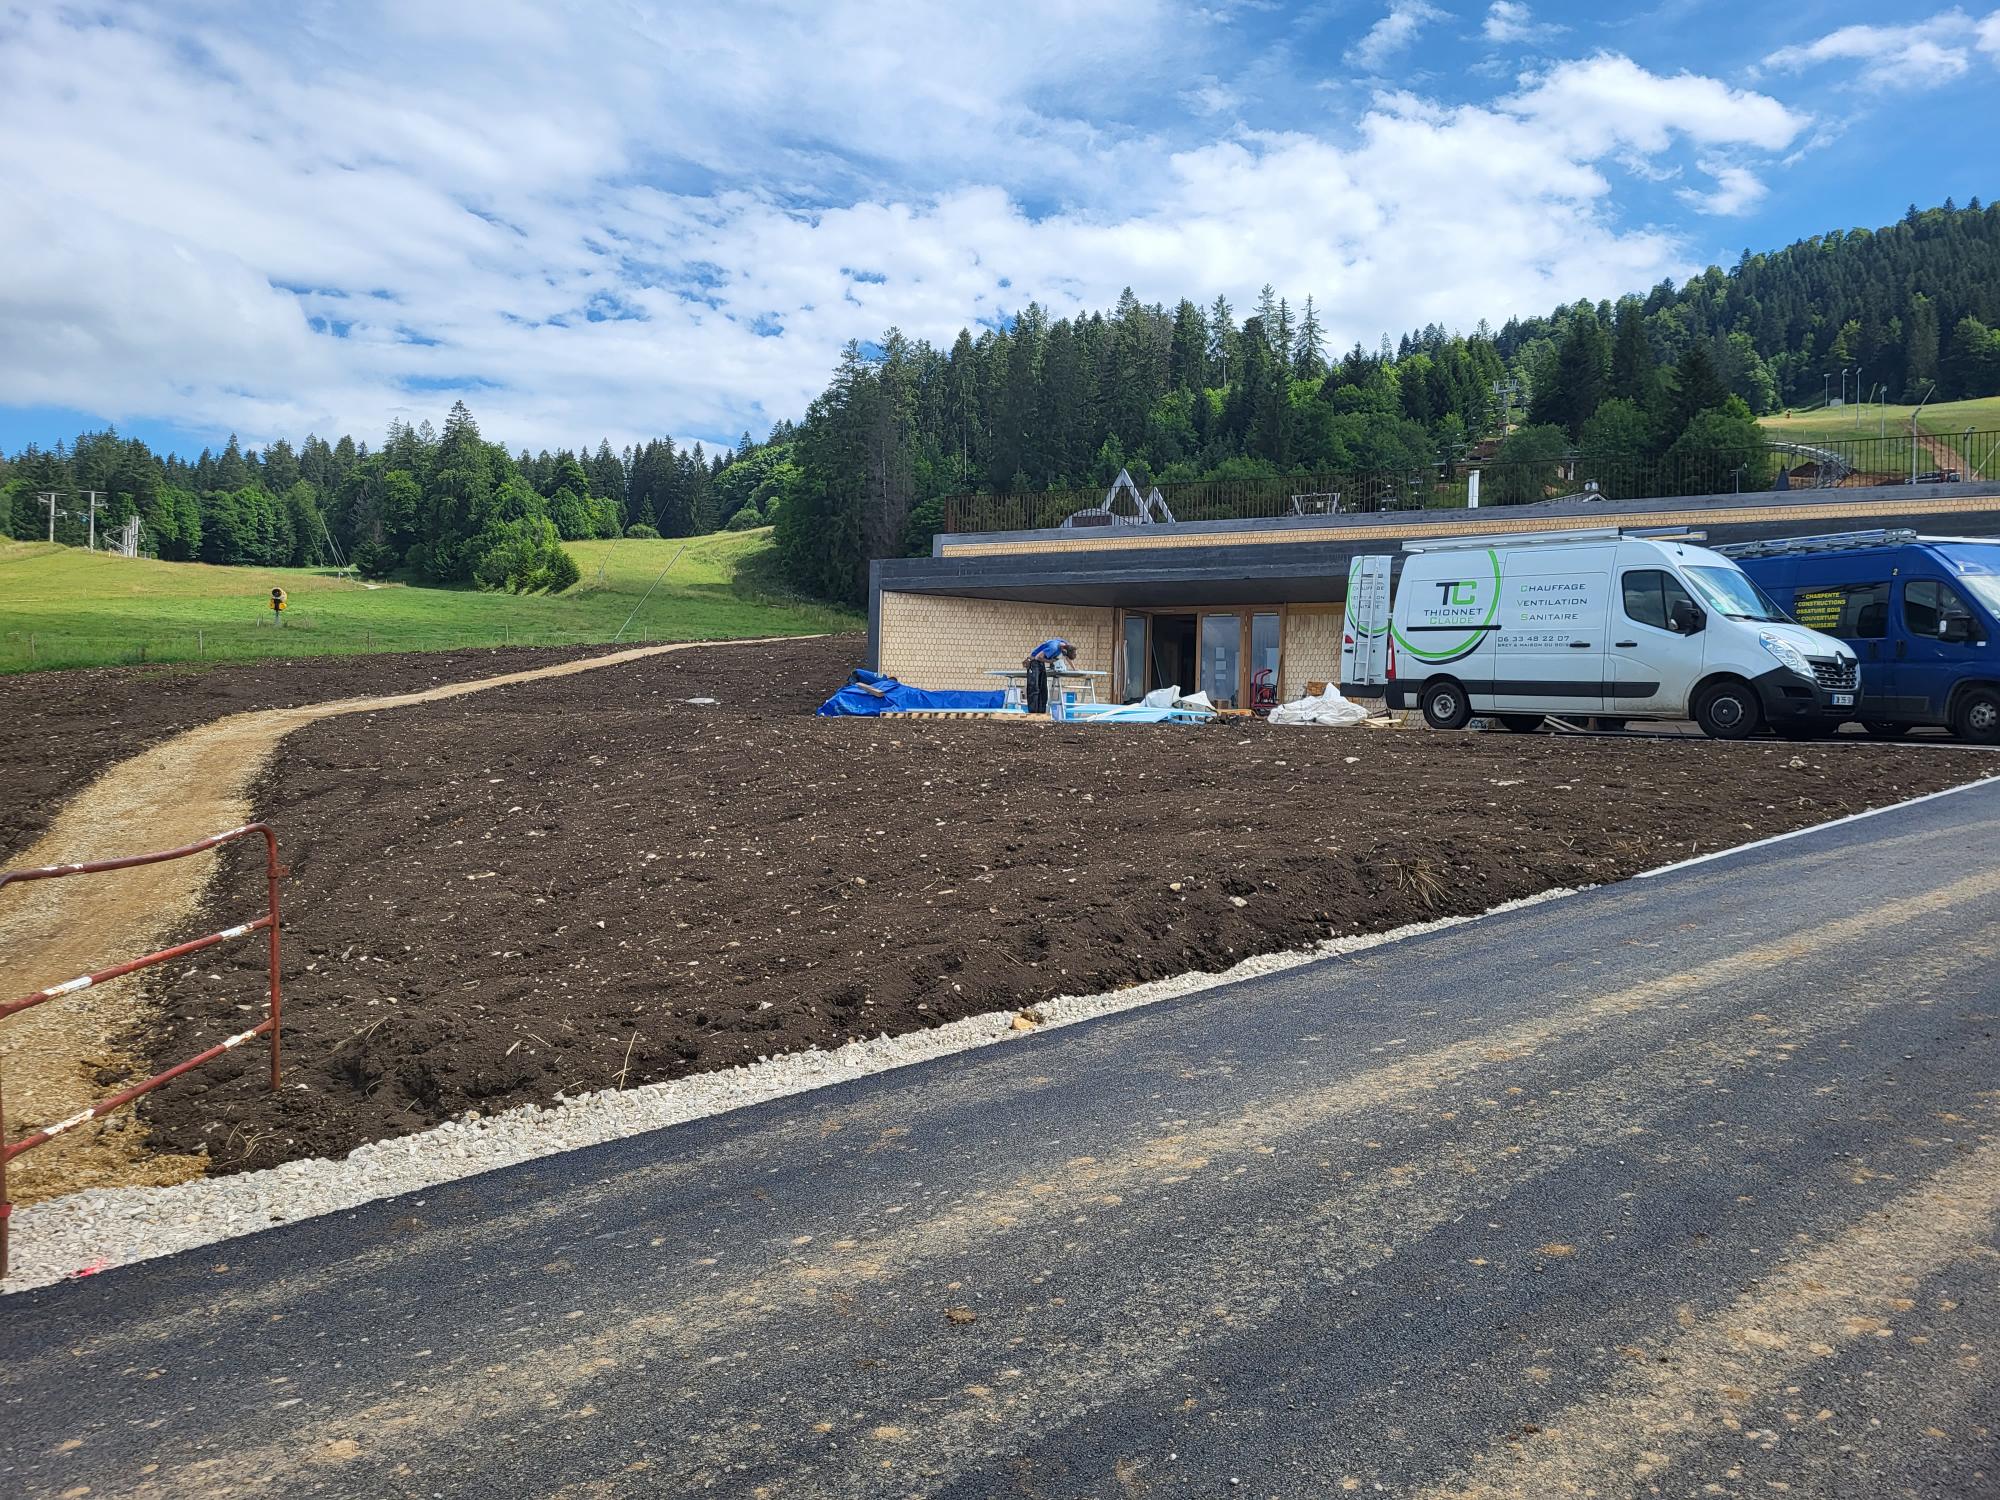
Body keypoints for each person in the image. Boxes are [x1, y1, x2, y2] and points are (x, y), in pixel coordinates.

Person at [1022, 638, 1077, 715]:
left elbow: (1067, 657)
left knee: (1043, 689)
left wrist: (1075, 669)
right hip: (1033, 661)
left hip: (1041, 663)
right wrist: (1050, 661)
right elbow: (1038, 657)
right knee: (1034, 688)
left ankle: (1041, 713)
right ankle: (1033, 713)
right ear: (1063, 649)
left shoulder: (1065, 644)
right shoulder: (1053, 648)